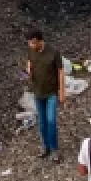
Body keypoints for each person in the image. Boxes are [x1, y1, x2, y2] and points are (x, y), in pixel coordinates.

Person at [27, 29, 65, 160]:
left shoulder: (53, 52)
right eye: (30, 43)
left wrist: (62, 92)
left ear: (40, 41)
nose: (31, 46)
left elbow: (60, 72)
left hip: (51, 93)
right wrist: (29, 70)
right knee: (42, 122)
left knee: (51, 120)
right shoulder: (31, 50)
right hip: (38, 92)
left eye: (33, 43)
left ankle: (54, 149)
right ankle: (45, 147)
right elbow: (30, 62)